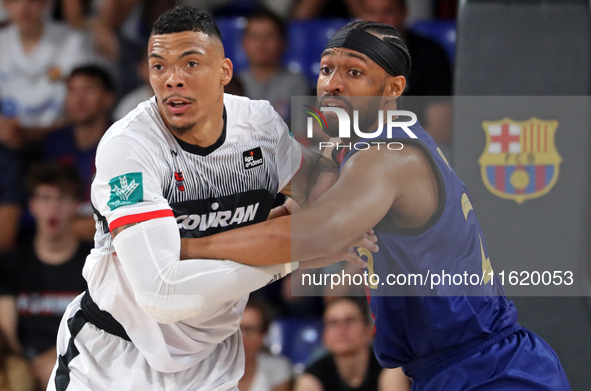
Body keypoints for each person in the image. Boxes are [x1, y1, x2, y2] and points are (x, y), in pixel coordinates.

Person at [179, 21, 572, 390]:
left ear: (392, 88)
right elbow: (284, 221)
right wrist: (198, 233)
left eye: (354, 73)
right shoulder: (355, 152)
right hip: (450, 369)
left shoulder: (387, 156)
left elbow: (313, 234)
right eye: (326, 69)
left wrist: (185, 247)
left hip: (491, 371)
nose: (332, 85)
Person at [46, 7, 370, 390]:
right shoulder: (129, 147)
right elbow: (161, 294)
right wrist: (292, 254)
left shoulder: (259, 126)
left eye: (190, 64)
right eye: (159, 67)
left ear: (225, 72)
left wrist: (321, 216)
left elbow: (321, 187)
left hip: (211, 362)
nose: (172, 80)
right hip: (114, 357)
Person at [0, 163, 90, 389]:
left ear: (76, 205)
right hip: (24, 363)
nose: (53, 207)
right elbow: (7, 333)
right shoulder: (11, 263)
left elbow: (96, 329)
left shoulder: (94, 264)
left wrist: (56, 358)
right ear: (32, 205)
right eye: (45, 198)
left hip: (78, 361)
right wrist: (24, 366)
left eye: (62, 198)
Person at [0, 0, 96, 148]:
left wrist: (34, 133)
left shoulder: (73, 42)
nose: (23, 8)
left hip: (61, 138)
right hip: (8, 140)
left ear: (46, 3)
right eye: (14, 1)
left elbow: (90, 102)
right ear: (4, 5)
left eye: (31, 1)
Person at [43, 65, 115, 241]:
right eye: (72, 90)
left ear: (108, 98)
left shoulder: (125, 143)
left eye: (88, 89)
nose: (79, 99)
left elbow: (128, 218)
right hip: (63, 245)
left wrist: (66, 228)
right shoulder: (52, 144)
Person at [295, 298, 410, 391]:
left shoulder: (390, 367)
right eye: (333, 323)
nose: (342, 329)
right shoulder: (311, 377)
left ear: (368, 331)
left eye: (350, 320)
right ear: (324, 336)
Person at [239, 10, 310, 125]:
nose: (260, 44)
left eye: (269, 36)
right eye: (254, 36)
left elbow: (301, 134)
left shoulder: (297, 83)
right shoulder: (231, 84)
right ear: (244, 42)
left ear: (283, 43)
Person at [239, 298, 293, 391]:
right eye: (237, 329)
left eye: (249, 329)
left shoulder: (277, 367)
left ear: (263, 335)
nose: (241, 336)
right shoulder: (210, 364)